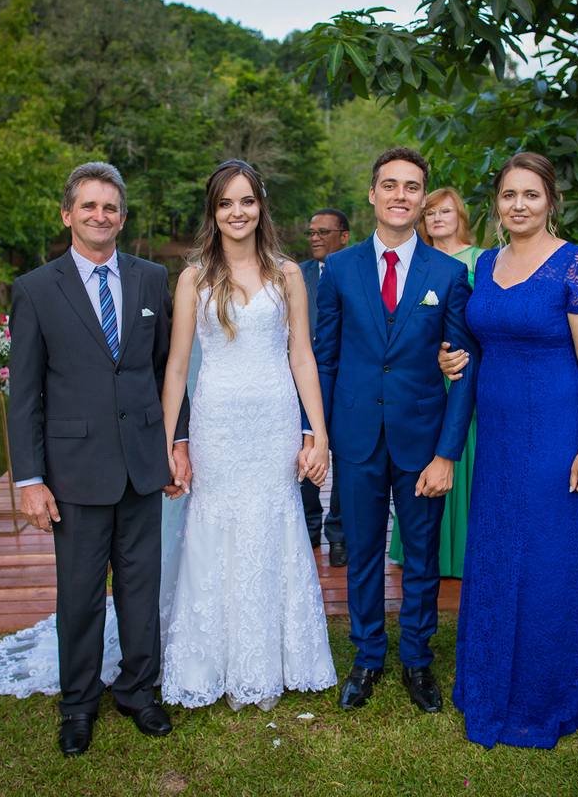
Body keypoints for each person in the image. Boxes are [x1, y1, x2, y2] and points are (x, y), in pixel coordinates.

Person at [6, 161, 191, 757]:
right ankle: (79, 703)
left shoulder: (150, 278)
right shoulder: (36, 289)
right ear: (68, 214)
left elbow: (168, 372)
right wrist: (30, 480)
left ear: (123, 217)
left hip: (142, 463)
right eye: (88, 205)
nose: (99, 215)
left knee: (141, 586)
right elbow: (24, 394)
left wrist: (176, 444)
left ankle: (138, 691)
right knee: (80, 594)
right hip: (75, 470)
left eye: (110, 207)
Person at [159, 160, 337, 711]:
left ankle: (270, 661)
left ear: (261, 206)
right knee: (217, 527)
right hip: (217, 424)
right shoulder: (193, 278)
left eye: (247, 201)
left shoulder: (288, 274)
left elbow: (302, 356)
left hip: (274, 422)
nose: (237, 212)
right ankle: (209, 662)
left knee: (272, 525)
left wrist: (318, 434)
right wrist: (167, 444)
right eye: (226, 203)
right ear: (213, 212)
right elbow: (176, 366)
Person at [449, 152, 578, 749]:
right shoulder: (485, 263)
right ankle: (489, 681)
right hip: (495, 432)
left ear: (551, 202)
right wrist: (450, 357)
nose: (519, 205)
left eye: (531, 194)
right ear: (496, 203)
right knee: (494, 547)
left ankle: (545, 694)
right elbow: (477, 342)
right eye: (509, 194)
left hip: (552, 431)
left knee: (544, 554)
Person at [314, 147, 480, 714]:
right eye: (390, 185)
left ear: (422, 197)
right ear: (372, 194)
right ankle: (366, 657)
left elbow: (463, 368)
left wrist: (448, 453)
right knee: (361, 553)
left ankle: (417, 659)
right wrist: (321, 434)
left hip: (422, 438)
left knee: (422, 557)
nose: (400, 195)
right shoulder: (339, 269)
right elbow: (326, 358)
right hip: (356, 437)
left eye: (412, 186)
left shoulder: (449, 274)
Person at [390, 187, 483, 578]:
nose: (437, 219)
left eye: (445, 211)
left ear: (460, 216)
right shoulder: (417, 262)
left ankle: (462, 553)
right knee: (421, 456)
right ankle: (423, 552)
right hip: (425, 376)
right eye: (430, 213)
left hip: (466, 372)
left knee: (462, 454)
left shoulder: (483, 260)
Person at [298, 208, 351, 567]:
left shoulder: (355, 270)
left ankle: (339, 535)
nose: (315, 238)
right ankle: (308, 527)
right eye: (312, 232)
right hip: (301, 381)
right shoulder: (293, 274)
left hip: (346, 379)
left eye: (324, 232)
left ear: (344, 236)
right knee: (303, 454)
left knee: (345, 460)